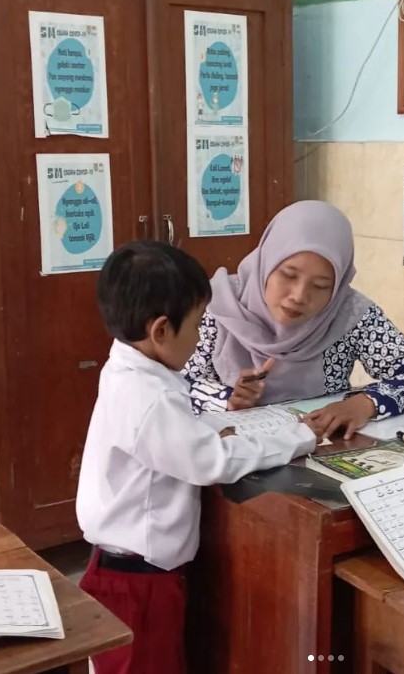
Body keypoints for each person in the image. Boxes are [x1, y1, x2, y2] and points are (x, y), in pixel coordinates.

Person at [76, 241, 318, 674]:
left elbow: (171, 436)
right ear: (161, 331)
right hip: (139, 585)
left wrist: (207, 428)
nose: (200, 336)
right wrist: (298, 438)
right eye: (197, 325)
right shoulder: (147, 397)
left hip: (125, 571)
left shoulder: (130, 369)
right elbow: (212, 463)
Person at [185, 200, 404, 440]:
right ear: (266, 261)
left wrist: (363, 404)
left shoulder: (349, 313)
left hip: (320, 447)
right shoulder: (218, 306)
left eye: (320, 286)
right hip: (233, 455)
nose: (298, 296)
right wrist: (227, 400)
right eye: (288, 275)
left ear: (338, 286)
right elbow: (175, 382)